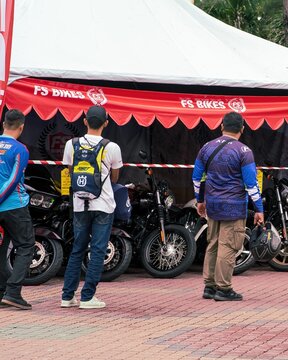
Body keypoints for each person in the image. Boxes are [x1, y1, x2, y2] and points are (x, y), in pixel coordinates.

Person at [192, 112, 264, 301]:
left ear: (221, 126)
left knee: (213, 243)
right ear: (242, 128)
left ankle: (209, 286)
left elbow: (197, 178)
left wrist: (199, 200)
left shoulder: (206, 148)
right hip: (234, 206)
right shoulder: (244, 151)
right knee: (228, 246)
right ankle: (223, 289)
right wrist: (259, 209)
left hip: (213, 205)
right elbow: (251, 184)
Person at [61, 105, 123, 309]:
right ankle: (87, 297)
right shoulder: (111, 147)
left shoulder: (72, 144)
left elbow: (70, 171)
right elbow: (115, 177)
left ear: (85, 121)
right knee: (97, 250)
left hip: (80, 203)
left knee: (77, 248)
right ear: (106, 123)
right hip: (103, 204)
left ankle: (67, 296)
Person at [0, 109, 35, 310]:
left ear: (4, 123)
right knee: (25, 246)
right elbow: (14, 180)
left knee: (1, 248)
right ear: (21, 127)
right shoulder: (20, 149)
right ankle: (13, 292)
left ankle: (2, 292)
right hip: (14, 205)